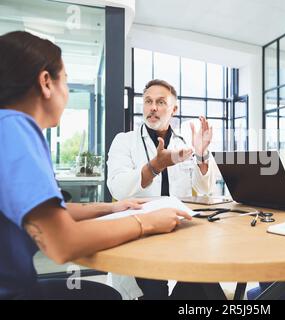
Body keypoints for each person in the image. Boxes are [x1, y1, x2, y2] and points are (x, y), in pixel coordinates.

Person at [0, 31, 192, 300]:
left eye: (161, 102)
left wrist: (111, 207)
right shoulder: (16, 129)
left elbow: (52, 212)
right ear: (46, 82)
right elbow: (62, 243)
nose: (66, 94)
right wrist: (145, 222)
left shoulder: (6, 127)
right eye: (65, 82)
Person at [106, 79, 217, 299]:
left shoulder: (185, 143)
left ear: (173, 109)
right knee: (154, 291)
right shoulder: (125, 141)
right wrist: (155, 166)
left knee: (205, 282)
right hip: (143, 236)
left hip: (181, 233)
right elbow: (117, 187)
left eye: (160, 102)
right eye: (148, 101)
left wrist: (202, 154)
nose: (153, 107)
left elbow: (205, 189)